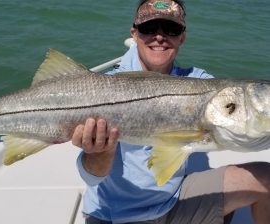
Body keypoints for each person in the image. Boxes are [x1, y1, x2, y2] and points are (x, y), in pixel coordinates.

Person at [72, 0, 270, 223]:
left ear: (182, 37)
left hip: (173, 200)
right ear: (134, 34)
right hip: (112, 214)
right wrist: (99, 152)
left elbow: (244, 131)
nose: (159, 36)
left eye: (171, 29)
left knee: (266, 179)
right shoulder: (98, 89)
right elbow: (90, 178)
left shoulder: (200, 81)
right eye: (149, 28)